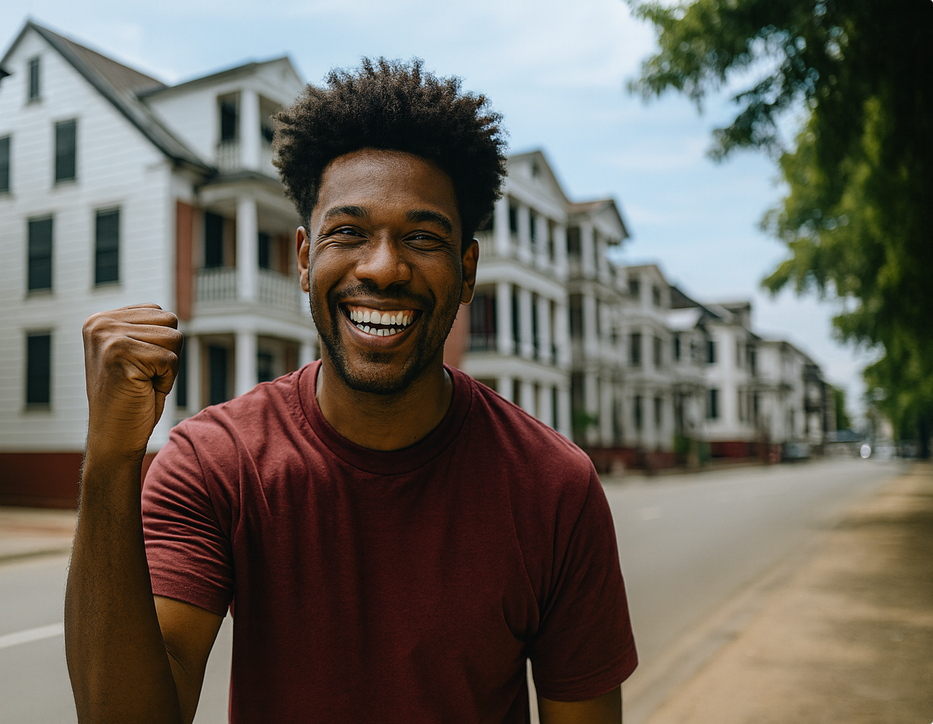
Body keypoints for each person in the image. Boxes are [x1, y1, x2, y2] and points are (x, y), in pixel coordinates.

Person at [66, 58, 637, 724]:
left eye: (422, 237)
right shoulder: (216, 464)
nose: (383, 267)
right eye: (349, 233)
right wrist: (110, 462)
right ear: (305, 259)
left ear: (467, 270)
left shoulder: (553, 489)